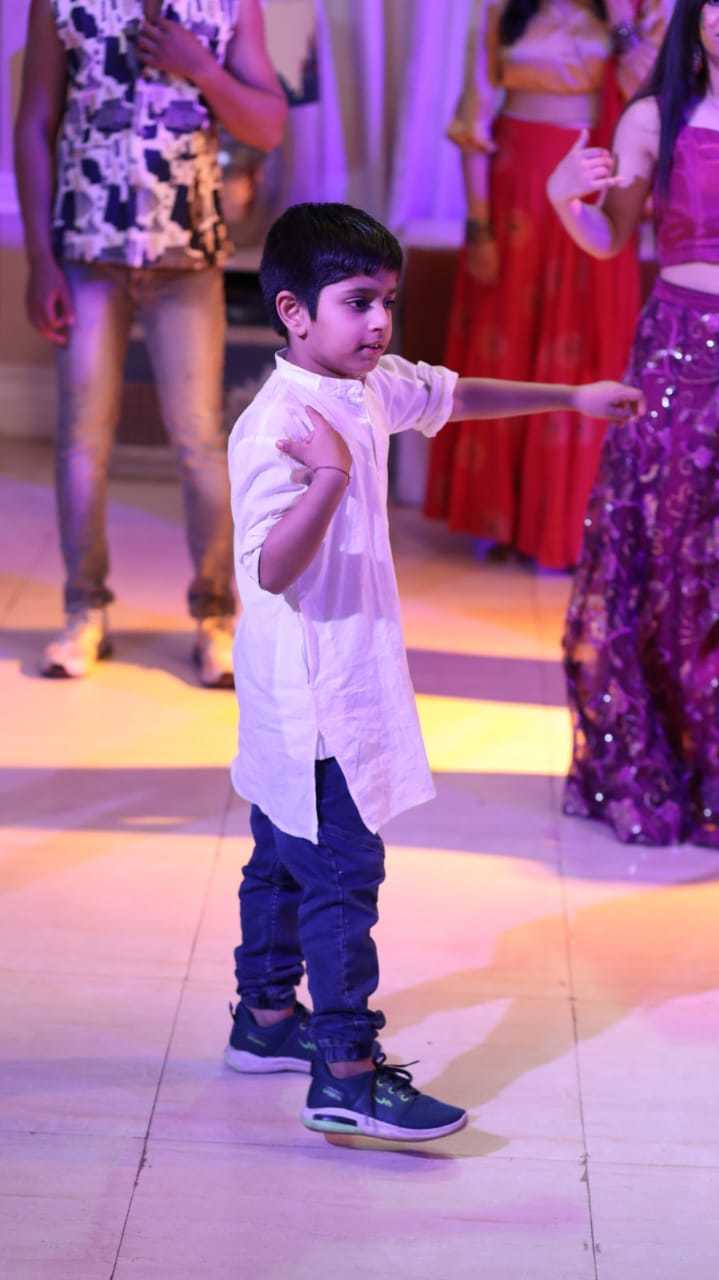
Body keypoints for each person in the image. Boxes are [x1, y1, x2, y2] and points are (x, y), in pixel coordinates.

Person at [223, 201, 642, 1140]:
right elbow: (272, 568)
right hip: (312, 694)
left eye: (388, 302)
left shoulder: (367, 386)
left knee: (283, 856)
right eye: (358, 302)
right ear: (293, 311)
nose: (380, 322)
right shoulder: (278, 425)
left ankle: (266, 1018)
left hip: (329, 679)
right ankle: (344, 1073)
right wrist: (330, 477)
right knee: (340, 873)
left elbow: (453, 395)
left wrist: (570, 397)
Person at [14, 0, 286, 685]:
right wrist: (39, 259)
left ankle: (215, 617)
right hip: (86, 250)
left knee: (200, 442)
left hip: (187, 257)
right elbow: (35, 121)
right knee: (82, 441)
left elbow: (268, 124)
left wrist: (202, 70)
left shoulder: (228, 5)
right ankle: (84, 611)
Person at [547, 0, 719, 845]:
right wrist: (561, 200)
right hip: (678, 351)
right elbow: (606, 238)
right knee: (667, 546)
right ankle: (671, 760)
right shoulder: (655, 117)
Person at [424, 0, 664, 571]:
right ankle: (502, 522)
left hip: (593, 185)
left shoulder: (631, 10)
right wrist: (479, 224)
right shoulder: (503, 8)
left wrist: (620, 22)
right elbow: (475, 119)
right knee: (508, 344)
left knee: (580, 351)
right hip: (516, 193)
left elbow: (653, 94)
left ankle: (571, 527)